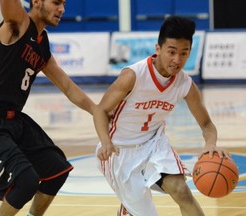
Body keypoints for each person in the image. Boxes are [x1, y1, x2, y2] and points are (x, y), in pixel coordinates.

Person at [0, 0, 95, 215]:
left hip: (15, 120)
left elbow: (68, 87)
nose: (61, 9)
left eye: (63, 3)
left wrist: (97, 110)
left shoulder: (42, 44)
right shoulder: (18, 24)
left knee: (58, 170)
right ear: (36, 2)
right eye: (56, 2)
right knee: (26, 181)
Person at [93, 16, 230, 216]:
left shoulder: (185, 85)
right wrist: (105, 141)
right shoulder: (133, 75)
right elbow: (100, 110)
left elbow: (207, 124)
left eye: (184, 53)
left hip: (154, 144)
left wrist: (210, 143)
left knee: (182, 191)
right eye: (172, 52)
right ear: (158, 49)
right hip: (119, 150)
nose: (177, 60)